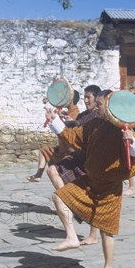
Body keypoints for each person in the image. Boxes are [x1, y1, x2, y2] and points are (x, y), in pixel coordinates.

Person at [45, 90, 135, 268]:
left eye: (99, 105)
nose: (96, 108)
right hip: (89, 180)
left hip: (110, 187)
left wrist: (130, 141)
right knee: (59, 197)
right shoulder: (94, 124)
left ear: (109, 106)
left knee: (106, 230)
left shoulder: (122, 128)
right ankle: (72, 236)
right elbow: (75, 135)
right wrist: (55, 120)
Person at [46, 85, 102, 245]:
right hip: (77, 156)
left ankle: (93, 235)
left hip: (91, 161)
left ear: (97, 100)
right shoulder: (84, 115)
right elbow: (75, 129)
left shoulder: (99, 117)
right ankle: (70, 203)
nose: (85, 101)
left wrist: (73, 125)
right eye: (84, 97)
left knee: (93, 196)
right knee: (52, 170)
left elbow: (82, 131)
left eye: (88, 98)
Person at [27, 90, 81, 182]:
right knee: (44, 150)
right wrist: (48, 104)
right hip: (62, 146)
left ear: (71, 99)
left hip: (69, 150)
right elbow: (55, 112)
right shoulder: (68, 112)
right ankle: (38, 175)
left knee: (56, 172)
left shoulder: (76, 114)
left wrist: (58, 118)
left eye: (67, 98)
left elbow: (65, 128)